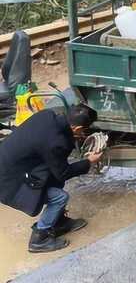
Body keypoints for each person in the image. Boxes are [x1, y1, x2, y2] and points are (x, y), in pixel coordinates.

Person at [0, 105, 103, 253]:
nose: (84, 134)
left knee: (54, 178)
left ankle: (58, 222)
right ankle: (39, 237)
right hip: (9, 181)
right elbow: (64, 172)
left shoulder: (47, 115)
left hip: (13, 165)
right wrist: (89, 162)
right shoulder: (56, 142)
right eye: (84, 131)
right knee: (60, 197)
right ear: (77, 128)